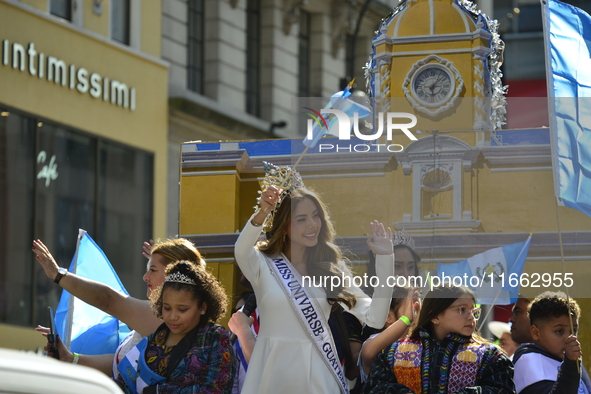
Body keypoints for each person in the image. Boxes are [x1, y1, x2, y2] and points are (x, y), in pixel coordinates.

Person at [234, 167, 395, 394]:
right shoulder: (263, 263)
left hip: (318, 377)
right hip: (272, 374)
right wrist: (262, 213)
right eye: (301, 219)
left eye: (316, 215)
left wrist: (386, 260)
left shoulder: (331, 269)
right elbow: (241, 250)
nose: (312, 224)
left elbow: (375, 319)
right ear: (285, 227)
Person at [32, 237, 205, 375]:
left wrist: (58, 274)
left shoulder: (164, 318)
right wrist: (70, 358)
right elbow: (120, 364)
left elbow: (108, 300)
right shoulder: (162, 320)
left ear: (172, 275)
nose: (145, 277)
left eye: (152, 270)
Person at [362, 284, 515, 394]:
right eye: (462, 309)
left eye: (473, 311)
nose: (471, 317)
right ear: (435, 316)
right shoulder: (393, 353)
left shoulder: (491, 357)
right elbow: (375, 387)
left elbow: (502, 389)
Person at [116, 261, 235, 394]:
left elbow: (217, 389)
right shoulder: (153, 339)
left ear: (202, 307)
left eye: (182, 309)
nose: (173, 316)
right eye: (167, 308)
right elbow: (126, 382)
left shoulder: (215, 337)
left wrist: (159, 391)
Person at [513, 291, 591, 394]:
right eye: (559, 331)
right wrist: (570, 365)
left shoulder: (568, 359)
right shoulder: (529, 361)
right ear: (536, 333)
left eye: (573, 331)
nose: (569, 338)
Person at [358, 286, 419, 382]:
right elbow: (368, 354)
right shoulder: (374, 340)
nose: (415, 313)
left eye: (417, 307)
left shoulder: (419, 342)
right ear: (388, 316)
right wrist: (406, 320)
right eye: (410, 307)